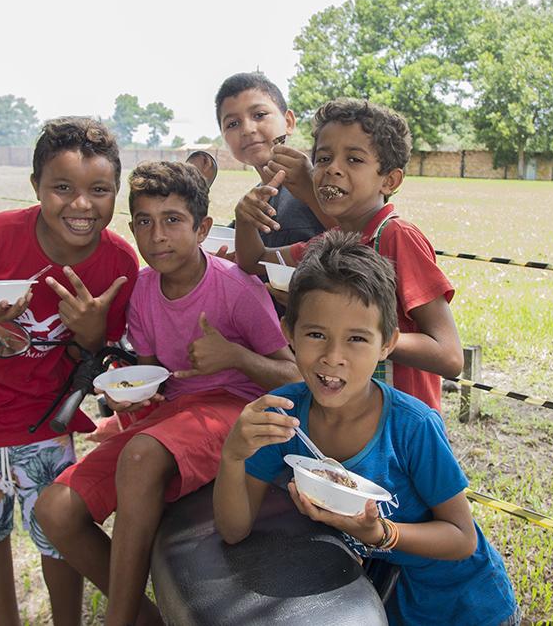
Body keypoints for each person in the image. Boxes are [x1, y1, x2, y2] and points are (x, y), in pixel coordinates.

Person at [36, 161, 300, 626]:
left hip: (234, 409)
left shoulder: (236, 288)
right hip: (173, 415)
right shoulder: (142, 288)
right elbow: (153, 371)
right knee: (55, 510)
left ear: (201, 228)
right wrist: (130, 396)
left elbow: (294, 377)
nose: (156, 236)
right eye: (144, 221)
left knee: (139, 456)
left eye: (172, 220)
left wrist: (235, 356)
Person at [215, 232, 520, 625]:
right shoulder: (285, 416)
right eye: (315, 334)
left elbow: (462, 539)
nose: (333, 357)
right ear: (289, 332)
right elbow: (233, 530)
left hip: (469, 605)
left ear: (386, 344)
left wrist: (381, 534)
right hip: (386, 602)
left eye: (357, 339)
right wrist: (233, 455)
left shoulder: (412, 427)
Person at [0, 117, 138, 626]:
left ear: (115, 192)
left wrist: (92, 331)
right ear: (36, 187)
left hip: (43, 421)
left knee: (58, 538)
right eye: (62, 188)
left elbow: (103, 354)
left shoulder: (118, 263)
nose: (81, 205)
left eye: (99, 190)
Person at [235, 98, 462, 411]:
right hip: (347, 423)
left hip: (400, 427)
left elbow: (449, 356)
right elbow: (254, 260)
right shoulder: (329, 243)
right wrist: (246, 219)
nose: (333, 170)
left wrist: (358, 334)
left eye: (353, 160)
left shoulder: (397, 237)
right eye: (324, 158)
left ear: (390, 180)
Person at [215, 72, 336, 248]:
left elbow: (363, 240)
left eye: (259, 115)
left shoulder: (329, 179)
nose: (247, 129)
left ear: (288, 122)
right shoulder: (252, 202)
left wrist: (311, 190)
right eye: (232, 124)